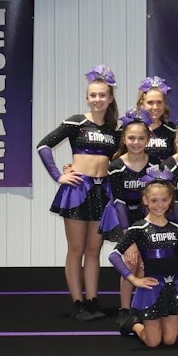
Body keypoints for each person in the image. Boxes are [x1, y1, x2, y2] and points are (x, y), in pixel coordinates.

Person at [37, 65, 120, 321]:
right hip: (78, 189)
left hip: (103, 190)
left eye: (102, 95)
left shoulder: (115, 130)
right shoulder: (76, 122)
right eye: (93, 95)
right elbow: (43, 145)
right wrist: (58, 175)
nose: (97, 99)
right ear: (87, 97)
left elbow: (121, 160)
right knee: (76, 249)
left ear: (110, 98)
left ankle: (93, 300)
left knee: (94, 250)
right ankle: (77, 302)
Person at [114, 169, 178, 346]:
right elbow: (114, 255)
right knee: (153, 343)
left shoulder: (177, 229)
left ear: (170, 200)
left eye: (164, 200)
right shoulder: (138, 228)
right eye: (154, 200)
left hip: (172, 287)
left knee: (169, 341)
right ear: (145, 200)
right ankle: (134, 325)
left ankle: (157, 323)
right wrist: (133, 279)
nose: (159, 205)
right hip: (150, 287)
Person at [100, 108, 153, 322]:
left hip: (148, 218)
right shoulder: (116, 166)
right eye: (131, 138)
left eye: (141, 138)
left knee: (146, 263)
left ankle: (141, 307)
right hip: (125, 218)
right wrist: (128, 238)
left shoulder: (155, 164)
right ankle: (124, 309)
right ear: (124, 139)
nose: (136, 142)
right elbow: (119, 201)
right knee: (131, 261)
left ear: (148, 140)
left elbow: (157, 198)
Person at [136, 76, 176, 164]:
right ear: (141, 103)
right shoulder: (129, 128)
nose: (155, 107)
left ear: (165, 103)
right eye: (150, 102)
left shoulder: (172, 130)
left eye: (159, 102)